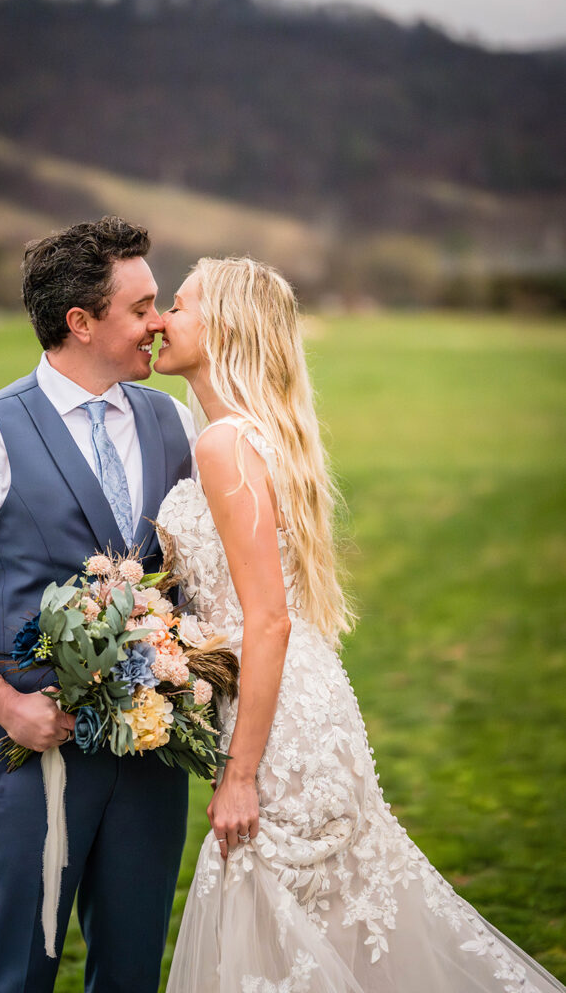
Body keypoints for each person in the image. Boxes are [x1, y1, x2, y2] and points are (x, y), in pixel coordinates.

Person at [153, 255, 565, 993]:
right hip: (301, 705)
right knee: (328, 932)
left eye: (177, 306)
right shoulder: (254, 433)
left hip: (275, 725)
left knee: (275, 924)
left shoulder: (225, 445)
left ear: (223, 329)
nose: (160, 320)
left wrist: (240, 774)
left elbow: (268, 621)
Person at [0, 216, 197, 993]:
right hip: (31, 753)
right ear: (81, 322)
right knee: (16, 973)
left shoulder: (174, 421)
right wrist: (7, 706)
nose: (157, 323)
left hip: (153, 755)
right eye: (141, 307)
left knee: (132, 974)